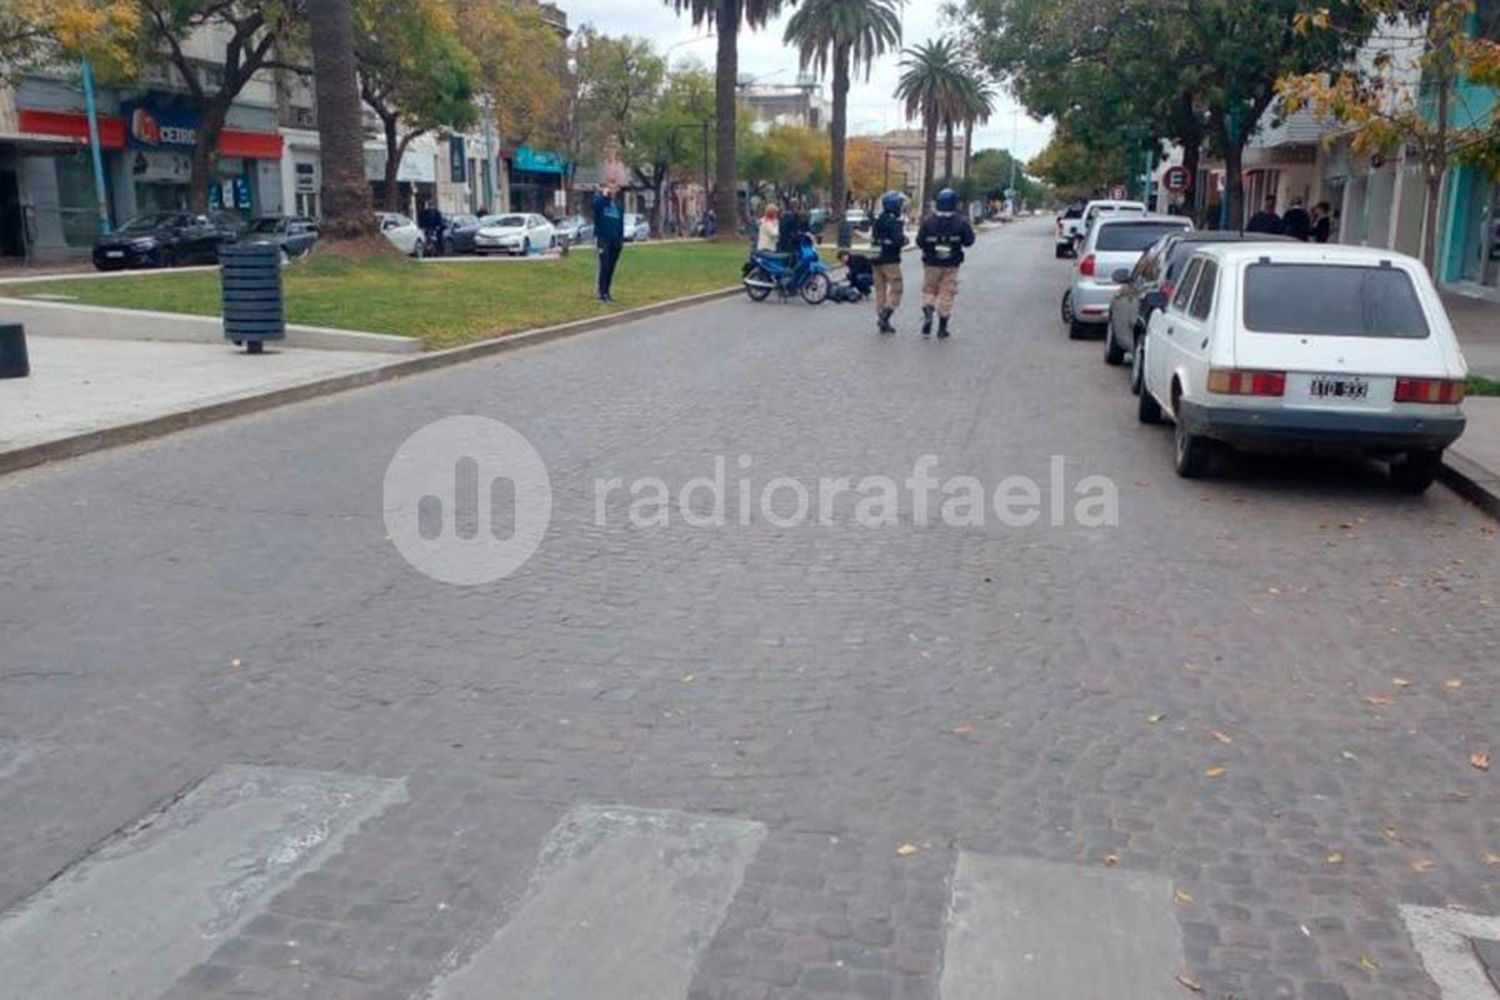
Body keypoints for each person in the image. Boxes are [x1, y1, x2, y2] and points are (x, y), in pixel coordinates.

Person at [915, 188, 976, 339]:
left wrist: (932, 247)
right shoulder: (961, 222)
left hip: (931, 263)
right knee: (947, 293)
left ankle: (928, 312)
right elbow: (969, 241)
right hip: (951, 264)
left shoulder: (928, 221)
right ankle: (942, 328)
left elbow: (919, 241)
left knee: (929, 290)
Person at [871, 191, 908, 334]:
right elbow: (898, 240)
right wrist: (905, 240)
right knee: (897, 288)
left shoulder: (878, 220)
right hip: (890, 260)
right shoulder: (895, 222)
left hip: (875, 259)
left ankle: (881, 318)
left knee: (880, 290)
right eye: (899, 204)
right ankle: (886, 315)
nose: (900, 207)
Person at [592, 183, 625, 303]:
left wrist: (621, 239)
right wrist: (604, 196)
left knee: (611, 267)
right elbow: (595, 208)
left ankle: (607, 292)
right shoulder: (600, 201)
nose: (612, 190)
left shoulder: (619, 205)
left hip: (615, 240)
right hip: (603, 238)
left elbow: (620, 223)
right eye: (609, 188)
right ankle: (601, 292)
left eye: (614, 188)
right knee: (604, 265)